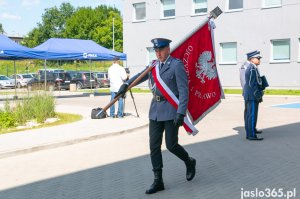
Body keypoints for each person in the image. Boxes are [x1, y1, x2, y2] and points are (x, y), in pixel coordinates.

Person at [115, 38, 196, 194]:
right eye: (156, 51)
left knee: (171, 145)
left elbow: (184, 91)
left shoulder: (176, 65)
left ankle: (189, 161)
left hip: (172, 110)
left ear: (168, 49)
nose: (158, 53)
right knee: (154, 147)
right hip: (155, 111)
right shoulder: (153, 66)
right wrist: (126, 85)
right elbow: (139, 76)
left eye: (161, 50)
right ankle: (158, 181)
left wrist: (181, 112)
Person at [243, 50, 264, 140]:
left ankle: (250, 133)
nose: (259, 59)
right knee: (251, 116)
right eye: (257, 58)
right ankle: (251, 135)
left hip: (251, 95)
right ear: (251, 59)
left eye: (259, 58)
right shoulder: (251, 68)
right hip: (252, 96)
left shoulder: (253, 67)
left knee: (250, 115)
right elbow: (251, 84)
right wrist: (258, 94)